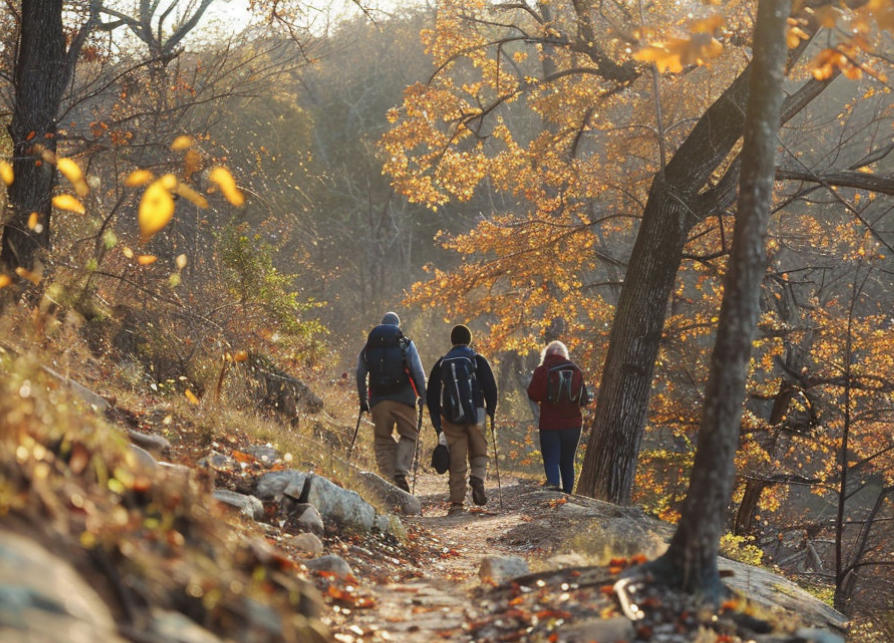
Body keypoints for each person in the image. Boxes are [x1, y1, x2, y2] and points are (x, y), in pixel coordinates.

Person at [426, 324, 498, 514]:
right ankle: (478, 478)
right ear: (469, 339)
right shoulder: (476, 359)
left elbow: (431, 395)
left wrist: (437, 422)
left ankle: (457, 503)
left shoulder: (442, 362)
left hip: (451, 417)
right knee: (480, 450)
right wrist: (491, 410)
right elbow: (490, 386)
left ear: (452, 340)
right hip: (478, 413)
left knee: (457, 459)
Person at [356, 312, 426, 492]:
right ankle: (400, 471)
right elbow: (417, 371)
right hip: (404, 398)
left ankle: (389, 480)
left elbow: (360, 373)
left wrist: (363, 399)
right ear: (398, 325)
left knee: (382, 439)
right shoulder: (406, 344)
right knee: (409, 435)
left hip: (379, 400)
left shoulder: (369, 347)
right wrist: (422, 395)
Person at [527, 340, 590, 494]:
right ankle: (568, 494)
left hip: (550, 424)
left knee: (551, 458)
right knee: (568, 461)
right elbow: (584, 399)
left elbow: (533, 394)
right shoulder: (575, 370)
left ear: (546, 355)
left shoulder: (542, 370)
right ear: (564, 354)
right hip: (573, 425)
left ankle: (553, 490)